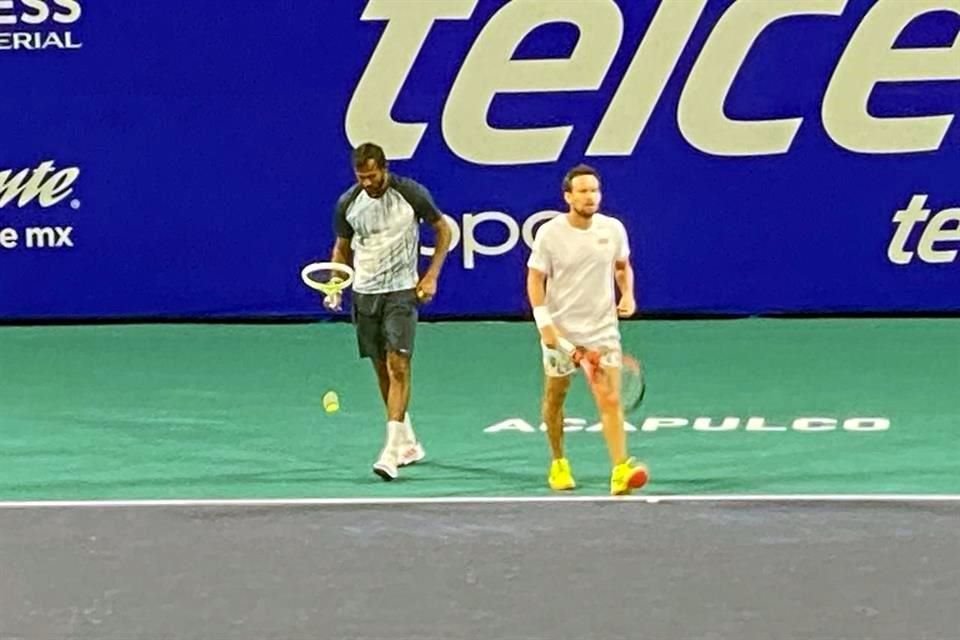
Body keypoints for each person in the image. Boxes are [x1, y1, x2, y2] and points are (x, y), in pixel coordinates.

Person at [325, 142, 452, 481]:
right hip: (364, 294)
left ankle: (391, 451)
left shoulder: (410, 194)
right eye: (361, 176)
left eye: (372, 175)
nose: (367, 182)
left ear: (384, 167)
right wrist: (336, 283)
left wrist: (431, 275)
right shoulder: (348, 203)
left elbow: (444, 229)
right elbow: (342, 247)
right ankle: (408, 440)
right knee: (382, 368)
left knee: (398, 364)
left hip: (401, 291)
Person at [526, 164, 649, 495]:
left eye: (594, 190)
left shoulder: (613, 229)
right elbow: (535, 279)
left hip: (602, 329)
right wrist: (545, 323)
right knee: (555, 397)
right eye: (582, 191)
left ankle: (621, 469)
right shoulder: (550, 233)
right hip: (561, 330)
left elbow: (622, 267)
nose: (590, 196)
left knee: (609, 399)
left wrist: (628, 294)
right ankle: (558, 462)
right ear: (568, 196)